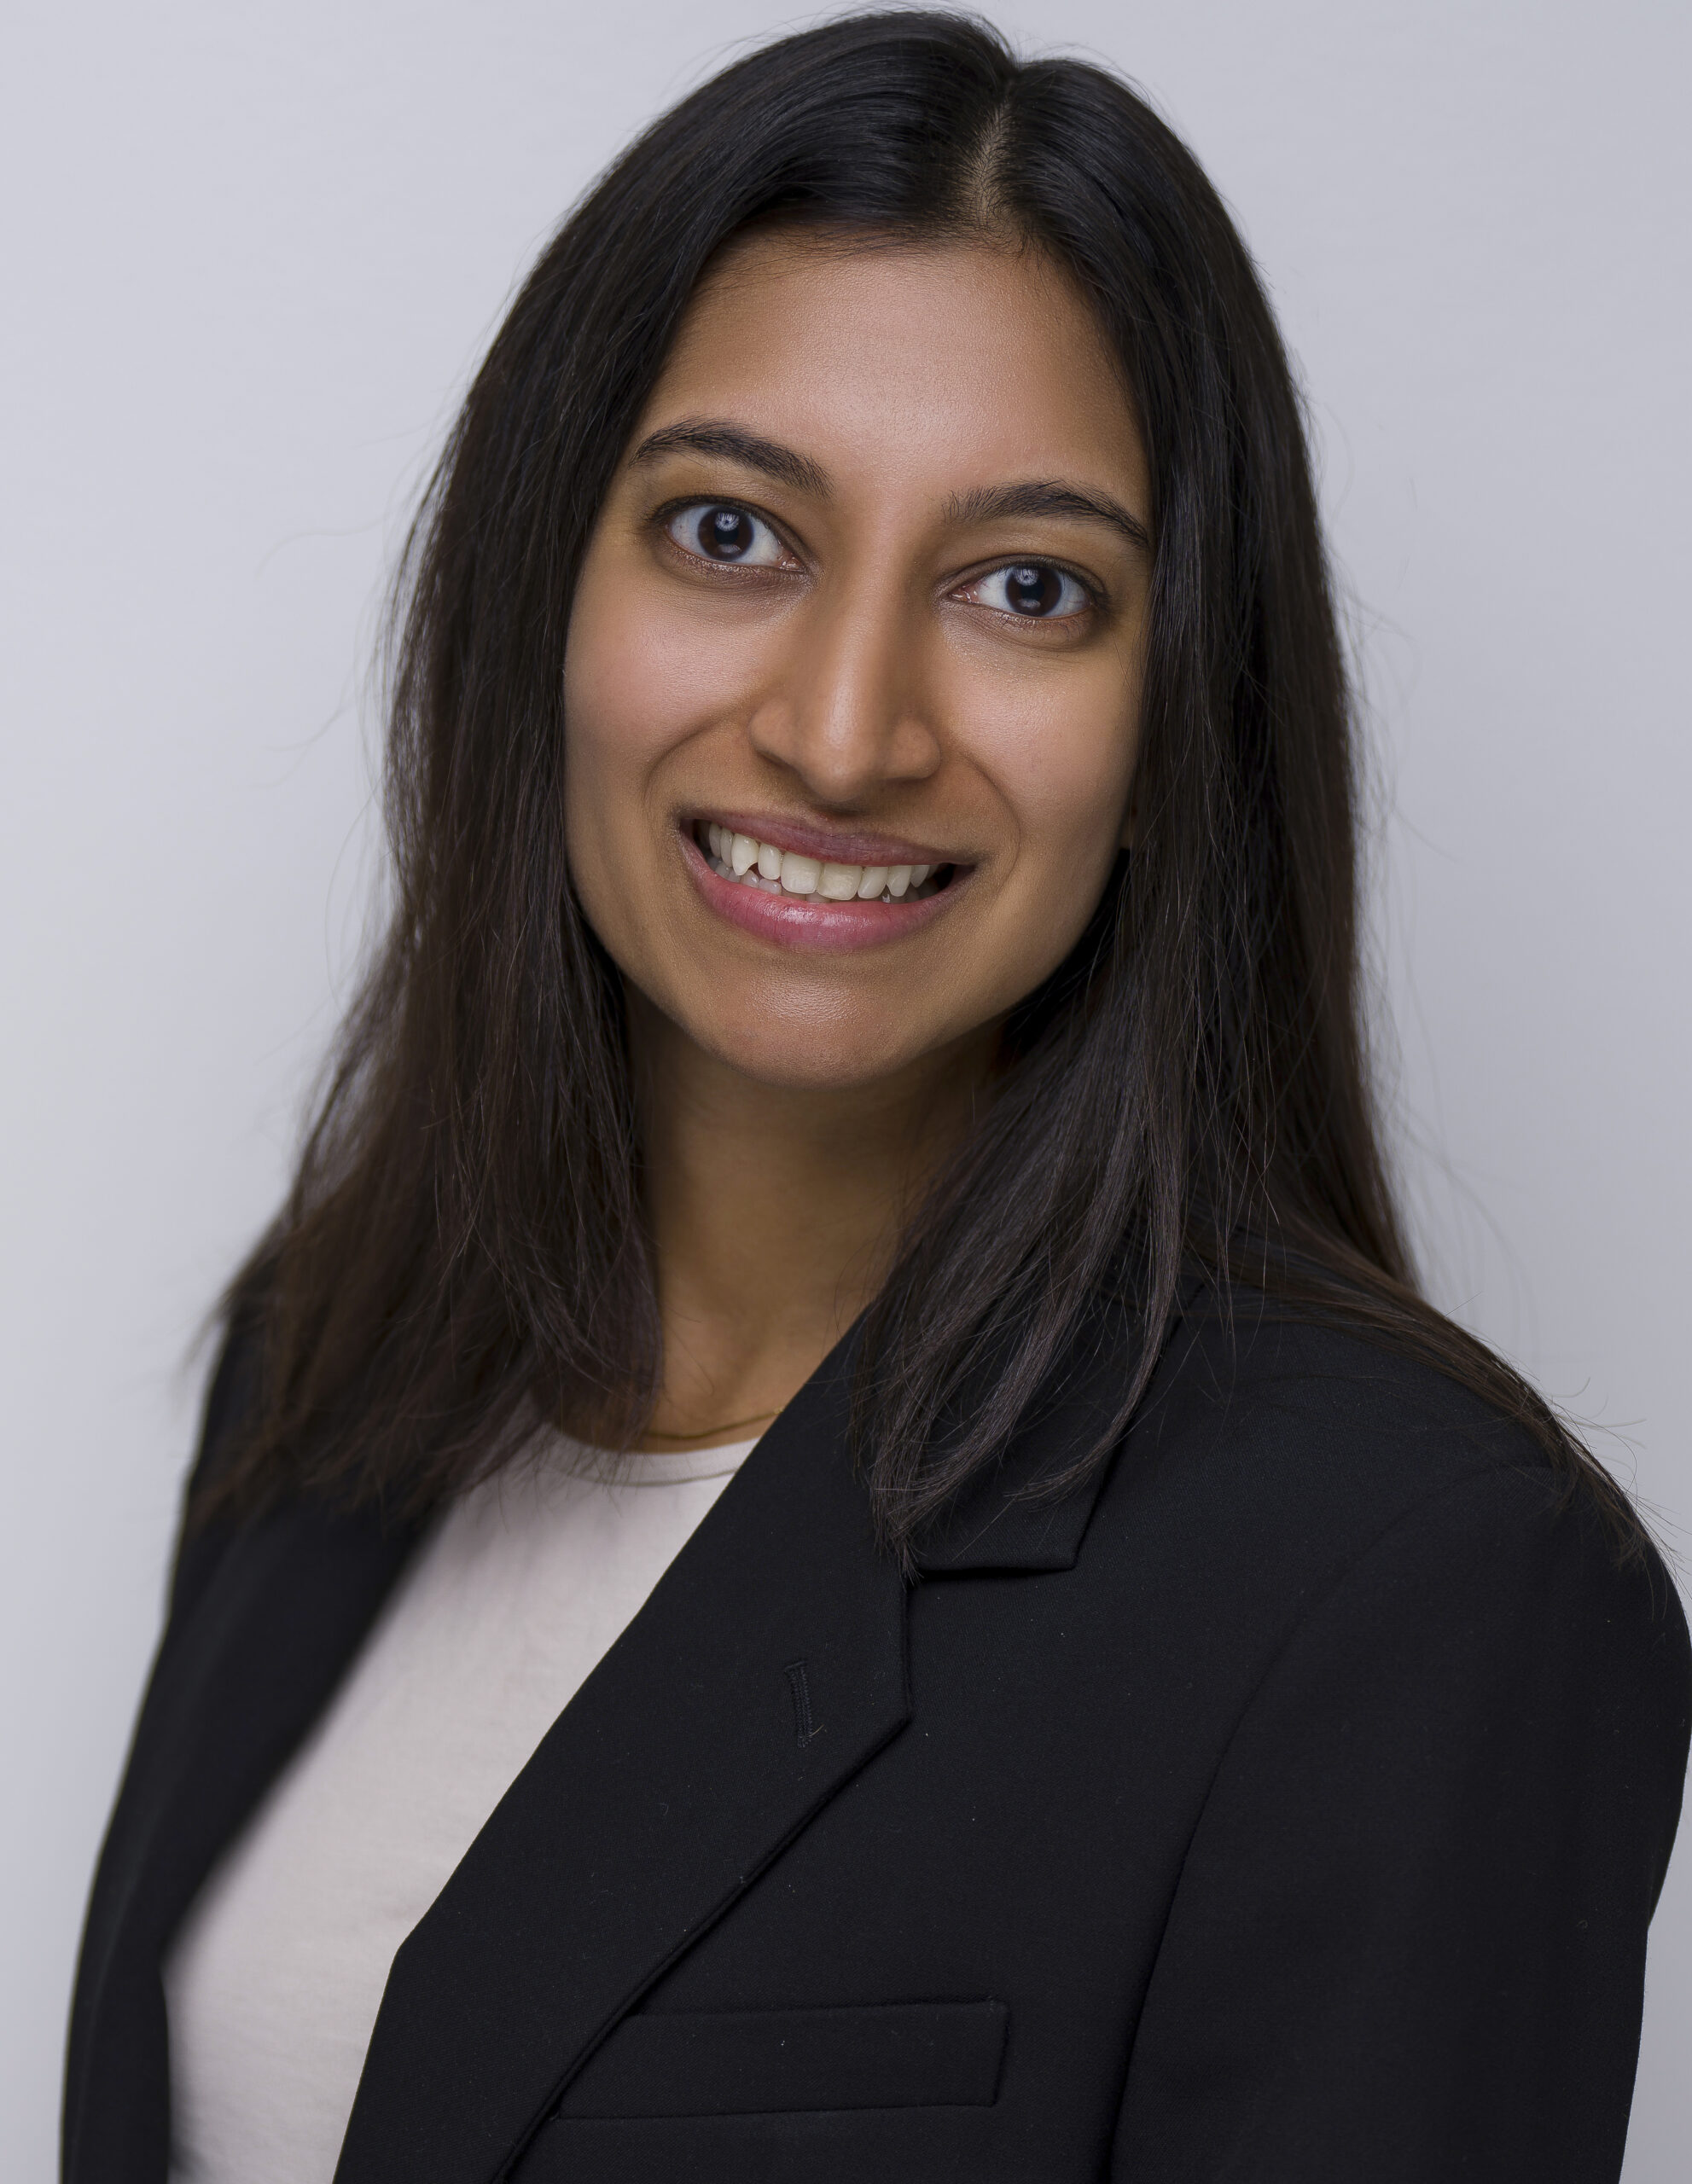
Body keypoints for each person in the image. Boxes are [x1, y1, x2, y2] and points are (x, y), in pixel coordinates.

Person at [65, 14, 1689, 2183]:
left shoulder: (1410, 1590)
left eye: (1028, 588)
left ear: (1171, 727)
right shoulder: (331, 1358)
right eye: (729, 531)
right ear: (538, 595)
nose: (843, 730)